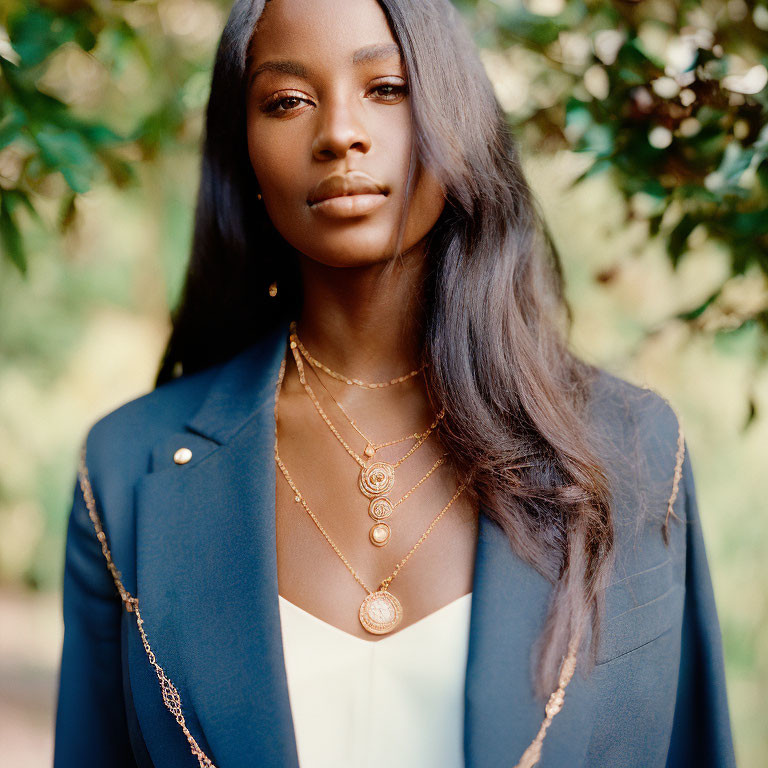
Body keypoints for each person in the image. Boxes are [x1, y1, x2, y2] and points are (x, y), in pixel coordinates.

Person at [52, 0, 737, 766]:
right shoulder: (123, 470)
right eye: (287, 101)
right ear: (243, 154)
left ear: (456, 120)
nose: (339, 132)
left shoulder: (632, 450)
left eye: (387, 88)